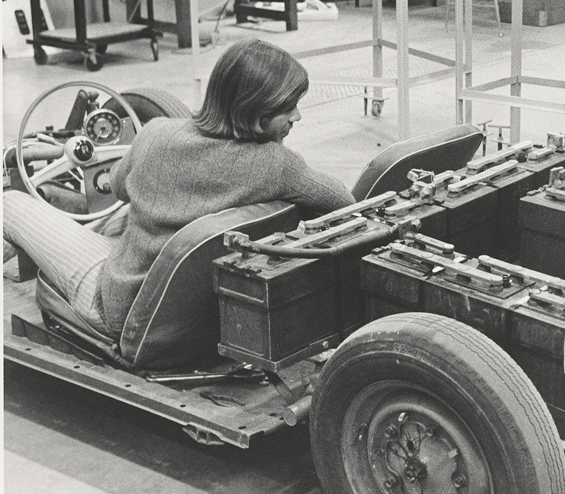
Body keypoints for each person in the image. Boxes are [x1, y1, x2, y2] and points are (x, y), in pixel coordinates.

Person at [3, 38, 354, 339]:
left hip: (120, 308)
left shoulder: (155, 134)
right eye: (288, 108)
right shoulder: (280, 167)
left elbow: (117, 189)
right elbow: (346, 204)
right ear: (253, 109)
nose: (297, 117)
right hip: (196, 318)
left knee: (11, 202)